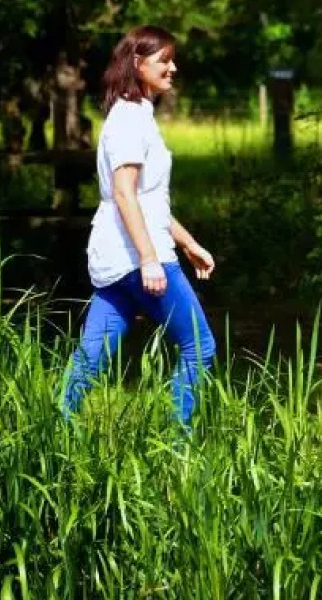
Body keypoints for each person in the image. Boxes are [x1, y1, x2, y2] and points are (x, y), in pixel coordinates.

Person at [61, 26, 217, 428]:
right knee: (199, 349)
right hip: (138, 257)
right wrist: (150, 259)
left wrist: (188, 242)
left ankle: (55, 434)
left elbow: (148, 202)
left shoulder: (134, 115)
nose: (173, 67)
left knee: (91, 359)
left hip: (115, 259)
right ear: (137, 63)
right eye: (164, 60)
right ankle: (176, 446)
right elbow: (125, 193)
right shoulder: (129, 119)